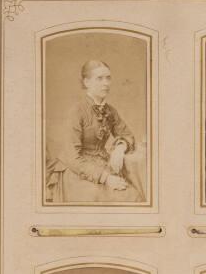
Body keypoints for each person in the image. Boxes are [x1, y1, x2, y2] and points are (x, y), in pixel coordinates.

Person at [46, 60, 146, 203]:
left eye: (108, 78)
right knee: (106, 199)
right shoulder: (76, 111)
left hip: (101, 164)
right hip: (77, 172)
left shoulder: (110, 111)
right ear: (87, 82)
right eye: (99, 78)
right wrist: (105, 178)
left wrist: (119, 148)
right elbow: (72, 157)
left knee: (134, 196)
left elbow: (126, 134)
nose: (106, 83)